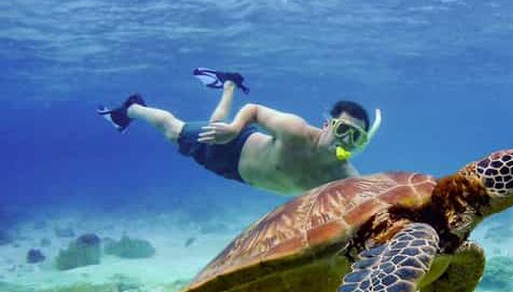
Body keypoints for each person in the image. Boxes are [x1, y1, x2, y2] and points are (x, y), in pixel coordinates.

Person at [97, 68, 382, 196]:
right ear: (327, 125)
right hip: (233, 147)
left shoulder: (345, 176)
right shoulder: (295, 131)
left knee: (212, 123)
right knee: (174, 131)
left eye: (355, 137)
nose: (345, 139)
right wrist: (234, 129)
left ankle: (228, 84)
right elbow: (255, 110)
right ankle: (132, 109)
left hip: (241, 177)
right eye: (343, 129)